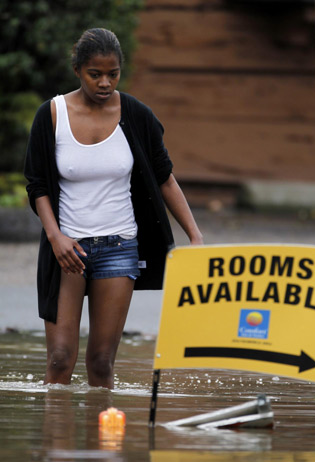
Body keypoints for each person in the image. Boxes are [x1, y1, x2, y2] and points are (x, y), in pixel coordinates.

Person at [24, 28, 203, 389]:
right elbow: (37, 185)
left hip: (119, 248)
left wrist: (194, 237)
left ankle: (100, 441)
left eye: (113, 74)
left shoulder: (136, 115)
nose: (104, 83)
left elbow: (165, 178)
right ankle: (55, 444)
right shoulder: (52, 115)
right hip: (67, 250)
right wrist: (55, 236)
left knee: (102, 362)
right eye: (95, 74)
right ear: (78, 70)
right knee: (60, 359)